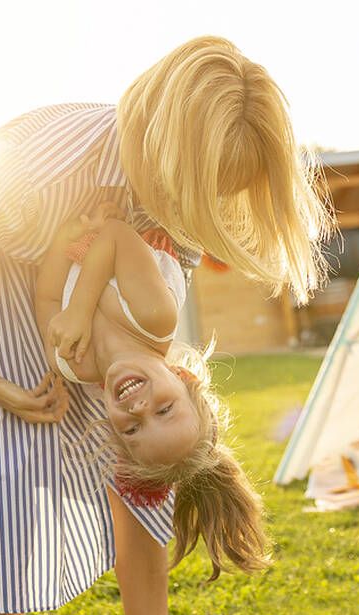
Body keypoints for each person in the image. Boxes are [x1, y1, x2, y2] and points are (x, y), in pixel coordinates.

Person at [0, 35, 333, 615]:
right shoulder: (46, 154)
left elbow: (69, 294)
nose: (192, 208)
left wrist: (71, 334)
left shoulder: (112, 364)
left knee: (144, 476)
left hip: (79, 320)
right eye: (194, 190)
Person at [34, 206, 269, 581]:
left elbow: (45, 299)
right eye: (164, 409)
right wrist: (78, 310)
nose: (139, 408)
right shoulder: (154, 316)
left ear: (112, 427)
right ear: (182, 376)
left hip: (69, 225)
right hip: (138, 210)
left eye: (132, 429)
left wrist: (62, 242)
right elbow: (115, 235)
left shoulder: (73, 365)